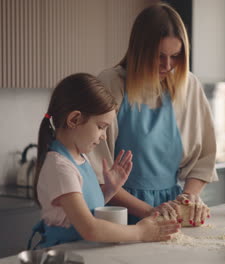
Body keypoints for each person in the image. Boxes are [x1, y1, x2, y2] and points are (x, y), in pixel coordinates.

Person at [87, 3, 218, 226]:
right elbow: (97, 174)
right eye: (159, 56)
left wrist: (188, 198)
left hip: (169, 212)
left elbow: (204, 159)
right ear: (140, 51)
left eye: (175, 56)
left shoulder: (189, 86)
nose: (168, 65)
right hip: (117, 214)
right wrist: (150, 211)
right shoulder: (111, 83)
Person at [28, 73, 180, 249]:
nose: (103, 137)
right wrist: (141, 232)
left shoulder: (79, 158)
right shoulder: (60, 167)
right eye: (101, 127)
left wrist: (109, 190)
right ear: (74, 119)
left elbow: (85, 209)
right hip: (65, 254)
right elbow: (90, 228)